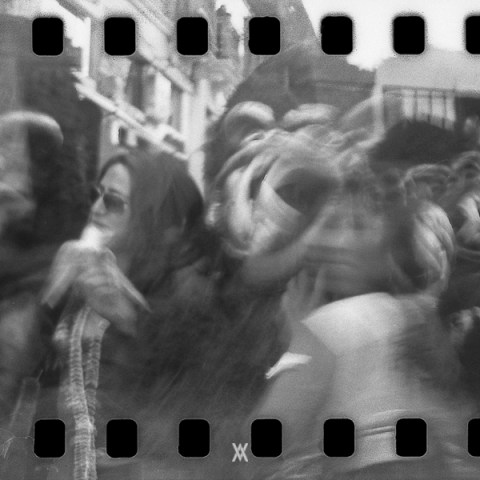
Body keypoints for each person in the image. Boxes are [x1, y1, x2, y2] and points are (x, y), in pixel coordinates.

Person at [41, 150, 286, 480]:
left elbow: (200, 390)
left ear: (157, 220)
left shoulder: (190, 291)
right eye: (95, 194)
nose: (96, 208)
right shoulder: (87, 272)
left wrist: (129, 318)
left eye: (113, 202)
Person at [245, 167, 479, 480]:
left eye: (358, 226)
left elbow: (261, 448)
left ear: (389, 246)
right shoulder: (431, 319)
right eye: (329, 225)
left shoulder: (334, 327)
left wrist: (297, 345)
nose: (337, 241)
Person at [0, 111, 88, 480]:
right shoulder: (13, 188)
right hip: (21, 311)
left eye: (10, 140)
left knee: (39, 406)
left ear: (36, 151)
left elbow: (60, 259)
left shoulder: (65, 199)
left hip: (39, 316)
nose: (4, 149)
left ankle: (37, 468)